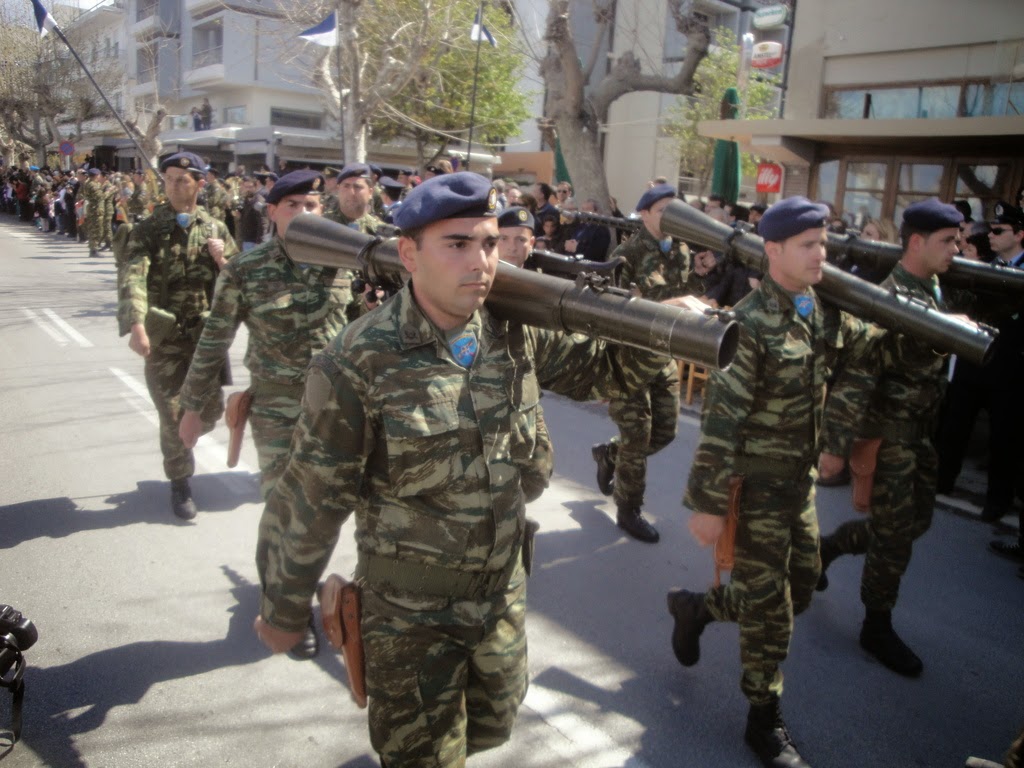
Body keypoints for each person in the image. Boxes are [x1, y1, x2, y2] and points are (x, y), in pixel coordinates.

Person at [253, 172, 666, 766]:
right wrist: (284, 606)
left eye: (490, 244)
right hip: (410, 621)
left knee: (491, 730)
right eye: (457, 244)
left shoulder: (511, 332)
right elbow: (309, 499)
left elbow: (606, 374)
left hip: (502, 599)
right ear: (407, 253)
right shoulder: (357, 361)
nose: (481, 261)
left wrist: (659, 325)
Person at [667, 197, 881, 768]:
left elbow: (869, 348)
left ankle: (699, 609)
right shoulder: (752, 322)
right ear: (775, 250)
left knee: (803, 585)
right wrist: (709, 504)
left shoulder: (821, 308)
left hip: (797, 486)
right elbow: (721, 419)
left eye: (824, 244)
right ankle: (763, 720)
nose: (822, 255)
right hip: (754, 489)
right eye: (809, 245)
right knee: (771, 610)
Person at [177, 170, 358, 659]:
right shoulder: (246, 269)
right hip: (277, 409)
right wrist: (195, 407)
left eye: (312, 205)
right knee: (284, 510)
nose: (304, 214)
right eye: (293, 205)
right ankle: (286, 612)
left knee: (326, 514)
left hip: (338, 409)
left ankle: (314, 595)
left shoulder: (347, 263)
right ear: (272, 211)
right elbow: (215, 338)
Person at [816, 199, 964, 678]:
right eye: (948, 240)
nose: (957, 248)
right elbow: (856, 378)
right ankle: (876, 624)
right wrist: (835, 449)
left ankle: (831, 548)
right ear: (916, 242)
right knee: (896, 536)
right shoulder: (890, 300)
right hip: (892, 440)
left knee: (912, 525)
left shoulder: (932, 287)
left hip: (921, 437)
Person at [119, 152, 238, 519]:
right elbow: (133, 276)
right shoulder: (149, 229)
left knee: (211, 410)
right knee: (173, 416)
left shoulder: (216, 228)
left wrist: (222, 261)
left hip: (204, 339)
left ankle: (184, 442)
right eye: (169, 178)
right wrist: (136, 324)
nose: (174, 185)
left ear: (200, 184)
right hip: (164, 339)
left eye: (183, 179)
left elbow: (241, 280)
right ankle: (180, 481)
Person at [591, 183, 694, 543]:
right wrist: (604, 374)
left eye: (675, 208)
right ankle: (629, 509)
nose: (671, 216)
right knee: (637, 437)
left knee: (666, 431)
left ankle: (609, 454)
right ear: (646, 213)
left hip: (662, 355)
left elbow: (687, 295)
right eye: (664, 208)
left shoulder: (682, 250)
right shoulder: (627, 253)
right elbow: (611, 313)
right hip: (628, 358)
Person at [323, 162, 384, 234]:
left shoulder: (379, 231)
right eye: (346, 186)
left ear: (370, 193)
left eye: (357, 187)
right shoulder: (322, 225)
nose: (351, 193)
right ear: (338, 190)